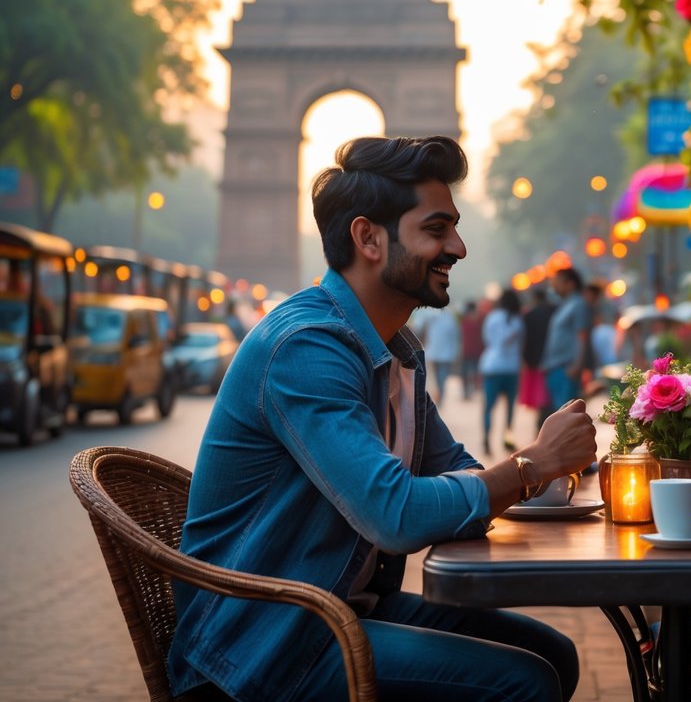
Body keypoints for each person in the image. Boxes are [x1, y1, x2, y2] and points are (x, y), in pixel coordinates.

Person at [168, 136, 598, 702]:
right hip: (263, 645)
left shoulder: (396, 349)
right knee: (527, 682)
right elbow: (393, 515)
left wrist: (548, 473)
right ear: (368, 238)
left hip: (338, 607)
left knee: (554, 655)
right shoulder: (306, 349)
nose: (459, 248)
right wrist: (528, 466)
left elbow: (458, 469)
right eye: (437, 229)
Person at [540, 267, 592, 413]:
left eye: (557, 282)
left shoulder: (578, 304)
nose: (553, 285)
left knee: (566, 415)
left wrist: (577, 365)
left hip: (567, 368)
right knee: (558, 413)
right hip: (556, 367)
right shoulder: (564, 304)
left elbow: (582, 335)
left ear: (570, 284)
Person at [480, 288, 524, 454]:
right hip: (511, 368)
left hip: (492, 366)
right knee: (510, 407)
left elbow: (487, 339)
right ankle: (507, 438)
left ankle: (486, 439)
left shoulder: (492, 317)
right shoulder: (518, 321)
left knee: (489, 406)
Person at [521, 288, 554, 425]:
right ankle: (546, 420)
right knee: (548, 395)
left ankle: (542, 422)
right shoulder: (553, 312)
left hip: (534, 360)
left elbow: (526, 340)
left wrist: (526, 359)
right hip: (551, 359)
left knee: (539, 395)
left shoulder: (529, 315)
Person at [418, 304, 459, 405]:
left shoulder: (429, 316)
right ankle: (440, 397)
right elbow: (454, 336)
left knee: (435, 378)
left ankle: (437, 398)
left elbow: (419, 329)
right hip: (444, 353)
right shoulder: (450, 318)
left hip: (433, 352)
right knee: (441, 378)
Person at [459, 299, 484, 400]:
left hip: (466, 350)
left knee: (465, 372)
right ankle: (472, 390)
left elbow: (461, 336)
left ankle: (466, 391)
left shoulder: (464, 321)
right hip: (478, 350)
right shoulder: (480, 320)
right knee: (475, 371)